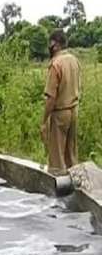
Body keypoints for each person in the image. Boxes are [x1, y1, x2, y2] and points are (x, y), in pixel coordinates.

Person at [42, 29, 81, 176]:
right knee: (71, 155)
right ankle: (76, 188)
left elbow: (51, 98)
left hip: (60, 114)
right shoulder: (74, 60)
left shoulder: (56, 64)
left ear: (55, 44)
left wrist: (44, 121)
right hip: (74, 110)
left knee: (56, 159)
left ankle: (58, 195)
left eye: (50, 44)